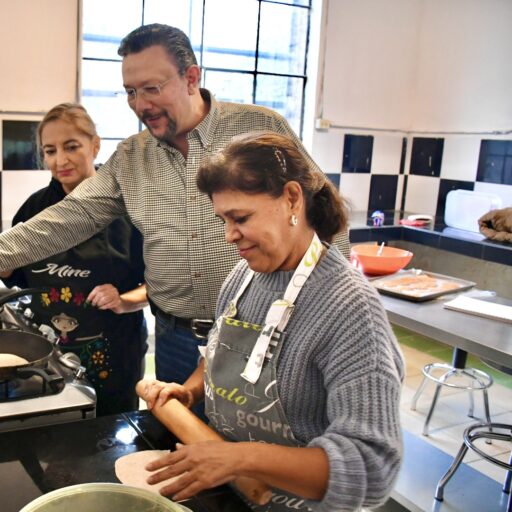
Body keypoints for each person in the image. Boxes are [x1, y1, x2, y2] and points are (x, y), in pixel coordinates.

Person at [0, 24, 350, 389]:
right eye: (131, 91)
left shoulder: (258, 128)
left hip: (261, 331)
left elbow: (324, 211)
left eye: (152, 88)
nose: (140, 104)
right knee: (180, 449)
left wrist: (333, 301)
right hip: (175, 339)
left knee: (258, 453)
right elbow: (65, 218)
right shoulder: (131, 157)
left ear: (191, 77)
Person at [140, 132, 404, 511]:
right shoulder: (244, 276)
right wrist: (191, 391)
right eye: (223, 219)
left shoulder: (350, 309)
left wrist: (239, 458)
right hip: (234, 494)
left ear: (292, 199)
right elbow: (223, 354)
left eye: (241, 217)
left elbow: (372, 468)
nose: (230, 235)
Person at [0, 103, 148, 416]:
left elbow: (158, 284)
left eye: (71, 147)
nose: (60, 160)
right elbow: (17, 277)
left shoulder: (126, 209)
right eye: (50, 150)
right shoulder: (36, 209)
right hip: (45, 357)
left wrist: (124, 299)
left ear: (95, 145)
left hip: (114, 358)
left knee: (109, 436)